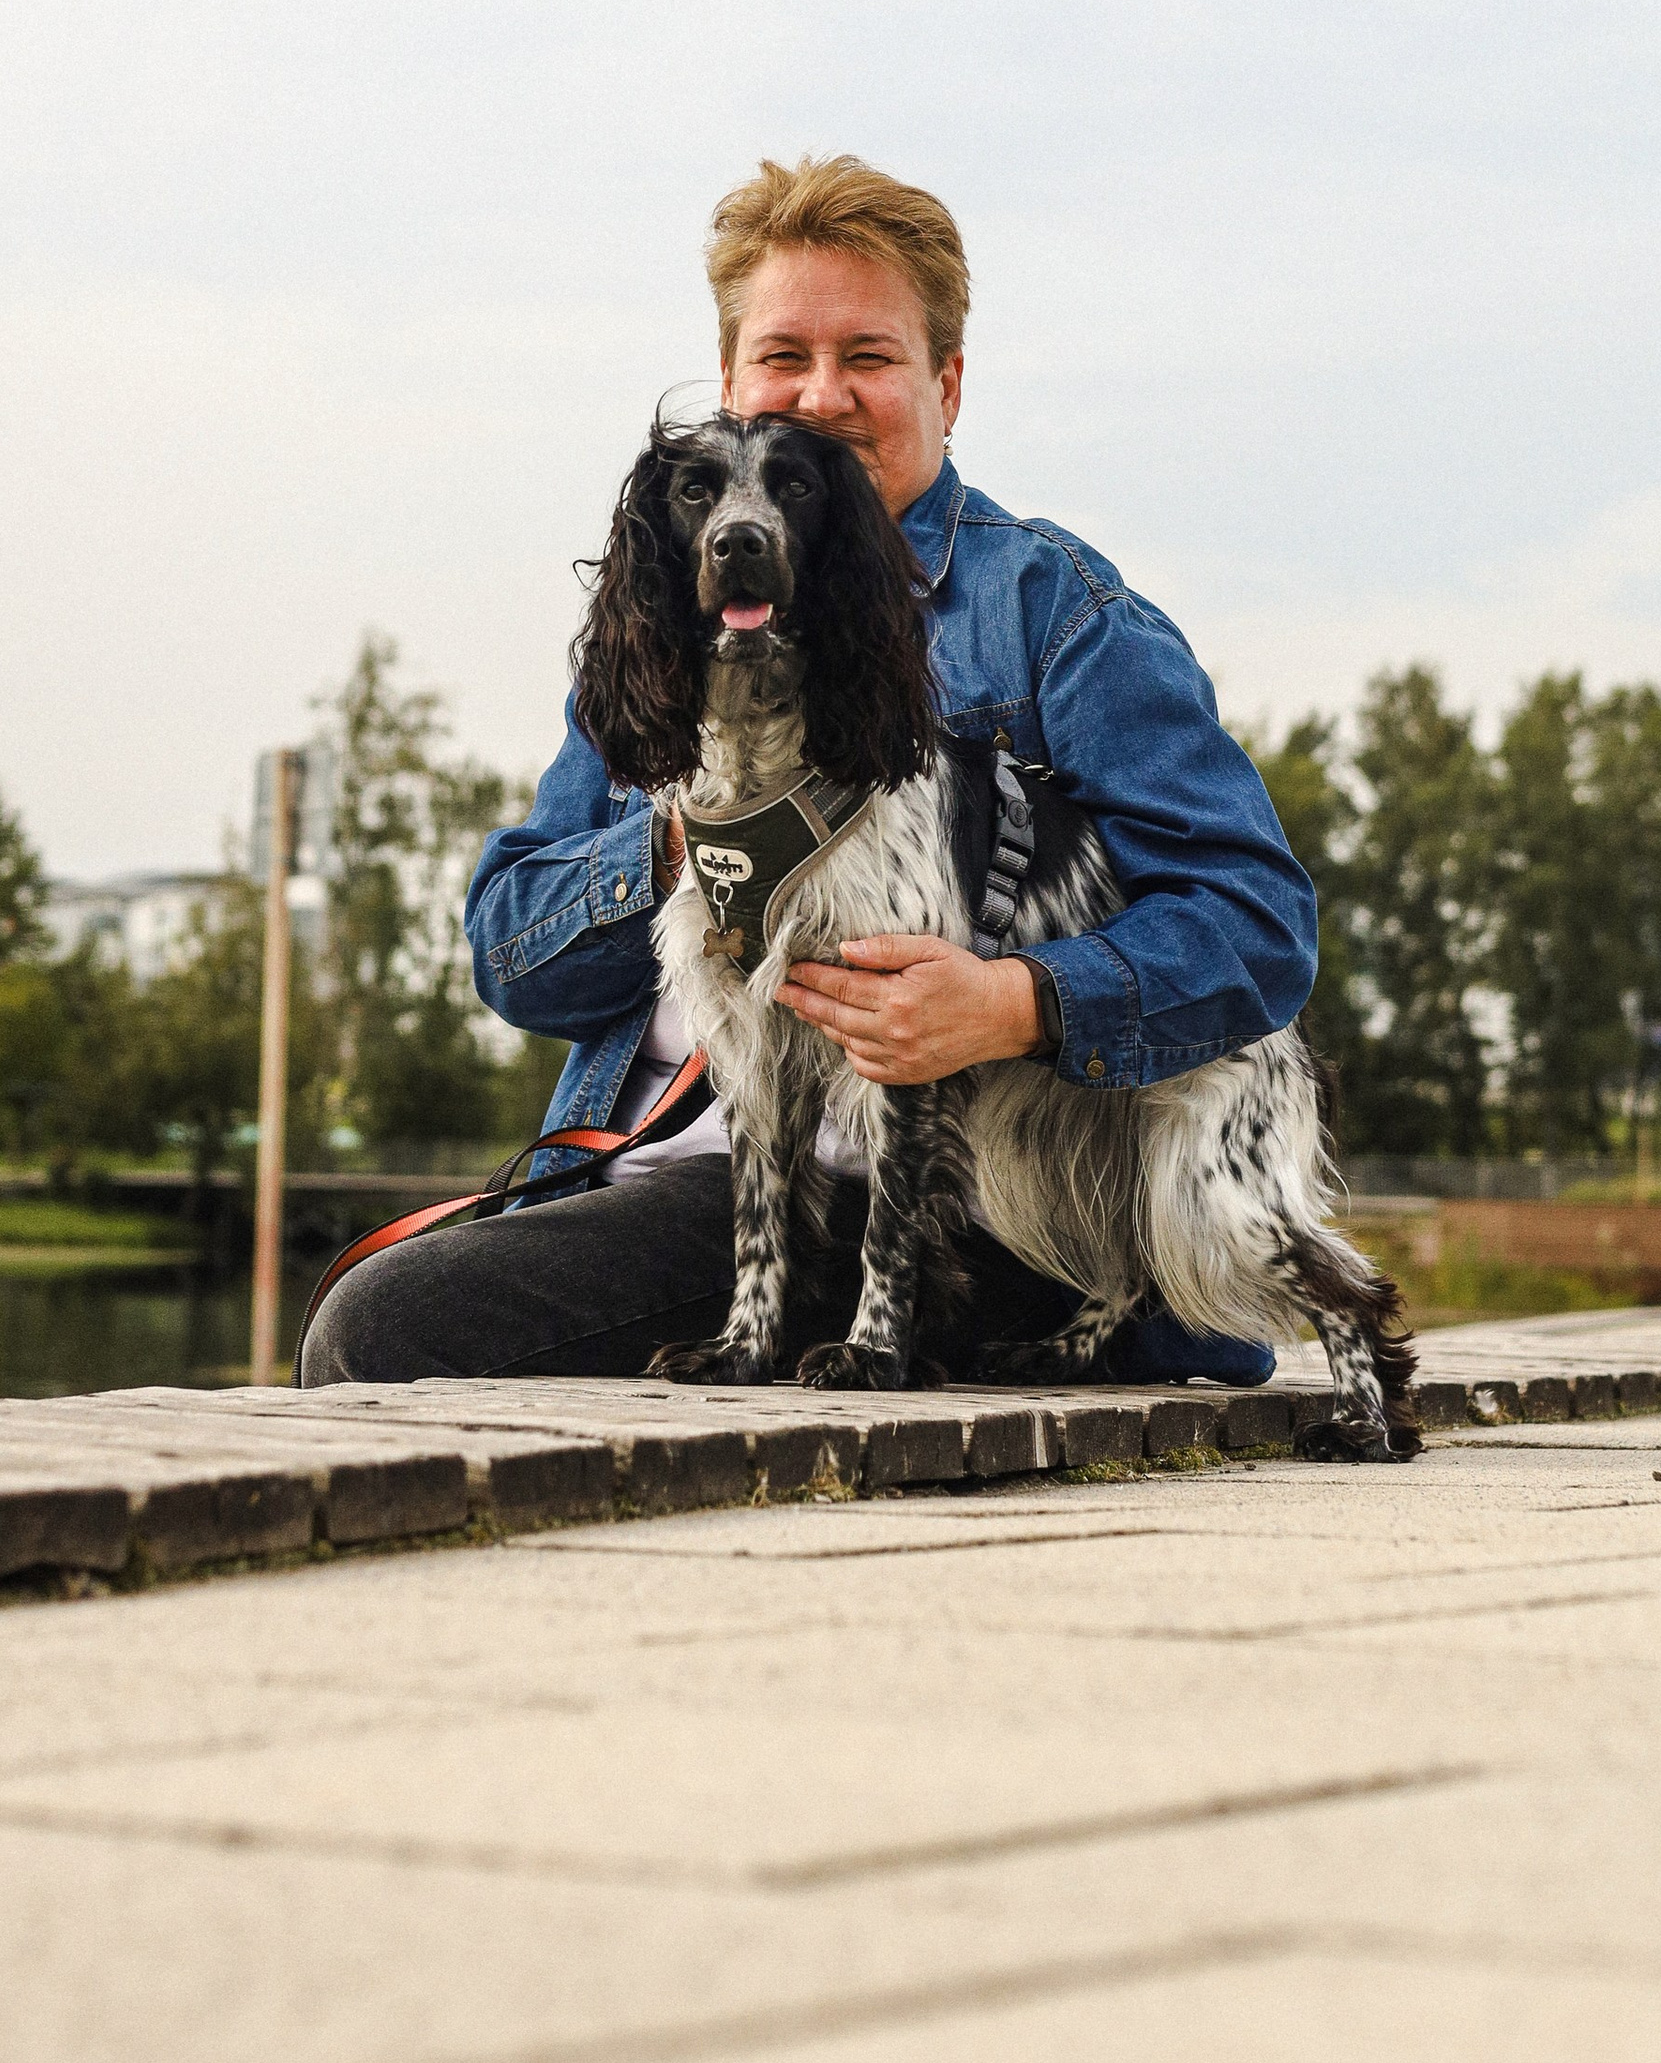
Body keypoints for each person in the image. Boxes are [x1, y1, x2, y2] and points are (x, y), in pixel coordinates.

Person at [300, 153, 1322, 1387]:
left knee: (389, 1327)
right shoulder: (670, 613)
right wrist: (706, 838)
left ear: (946, 385)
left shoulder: (1057, 613)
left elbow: (1260, 930)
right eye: (784, 358)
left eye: (871, 358)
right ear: (731, 385)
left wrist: (1017, 1001)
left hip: (944, 1199)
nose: (823, 395)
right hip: (645, 1174)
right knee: (378, 1304)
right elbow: (511, 957)